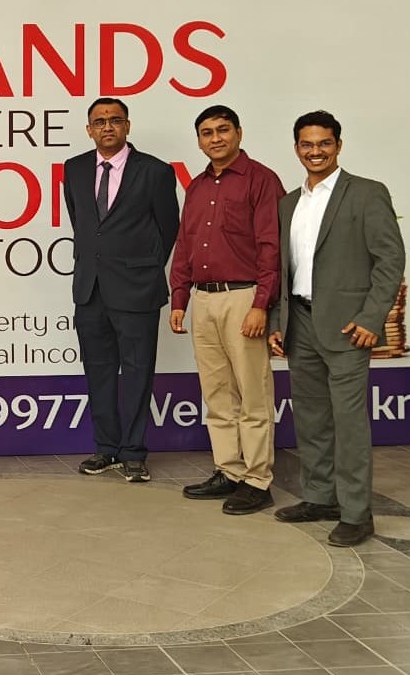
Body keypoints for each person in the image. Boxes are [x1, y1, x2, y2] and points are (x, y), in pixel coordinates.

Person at [268, 110, 405, 547]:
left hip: (348, 327)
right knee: (311, 419)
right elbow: (284, 269)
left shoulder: (366, 193)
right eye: (307, 144)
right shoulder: (288, 203)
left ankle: (356, 513)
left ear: (339, 145)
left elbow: (390, 260)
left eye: (324, 143)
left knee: (348, 423)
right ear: (296, 148)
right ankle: (320, 498)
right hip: (300, 323)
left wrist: (371, 317)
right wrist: (277, 321)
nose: (316, 152)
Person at [169, 106, 284, 514]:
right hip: (203, 300)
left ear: (238, 133)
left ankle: (257, 480)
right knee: (217, 393)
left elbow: (271, 247)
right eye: (207, 132)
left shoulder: (262, 180)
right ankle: (229, 470)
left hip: (243, 298)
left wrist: (261, 304)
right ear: (199, 140)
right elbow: (185, 244)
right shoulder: (197, 187)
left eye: (222, 130)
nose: (215, 138)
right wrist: (179, 297)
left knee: (253, 393)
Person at [63, 98, 180, 483]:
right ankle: (106, 448)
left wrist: (143, 267)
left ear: (127, 126)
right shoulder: (74, 168)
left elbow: (168, 228)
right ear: (89, 130)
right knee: (98, 371)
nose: (107, 127)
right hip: (90, 289)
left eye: (115, 120)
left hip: (137, 289)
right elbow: (83, 223)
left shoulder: (155, 171)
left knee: (136, 372)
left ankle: (133, 452)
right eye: (99, 122)